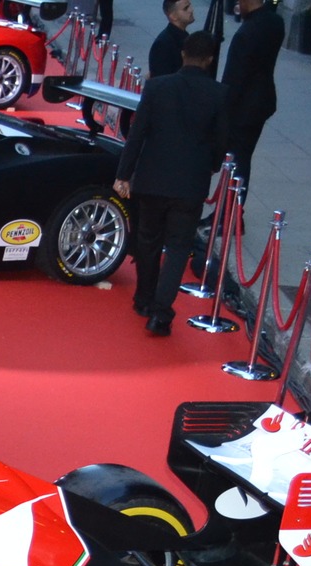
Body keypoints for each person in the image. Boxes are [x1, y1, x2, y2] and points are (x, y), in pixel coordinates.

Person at [115, 31, 226, 338]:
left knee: (148, 240)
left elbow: (137, 134)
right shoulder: (219, 94)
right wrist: (212, 166)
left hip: (152, 178)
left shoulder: (157, 87)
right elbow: (221, 142)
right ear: (209, 60)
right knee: (178, 248)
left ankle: (144, 298)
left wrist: (124, 173)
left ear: (183, 54)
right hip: (190, 183)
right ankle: (161, 312)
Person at [220, 0, 283, 195]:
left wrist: (223, 109)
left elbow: (235, 76)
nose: (238, 5)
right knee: (243, 156)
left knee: (238, 160)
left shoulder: (246, 33)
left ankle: (232, 207)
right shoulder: (276, 22)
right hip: (262, 100)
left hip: (244, 107)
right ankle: (231, 206)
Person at [149, 0, 196, 79]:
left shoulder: (183, 36)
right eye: (186, 8)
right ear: (173, 16)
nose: (191, 10)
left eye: (190, 6)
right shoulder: (163, 44)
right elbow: (161, 79)